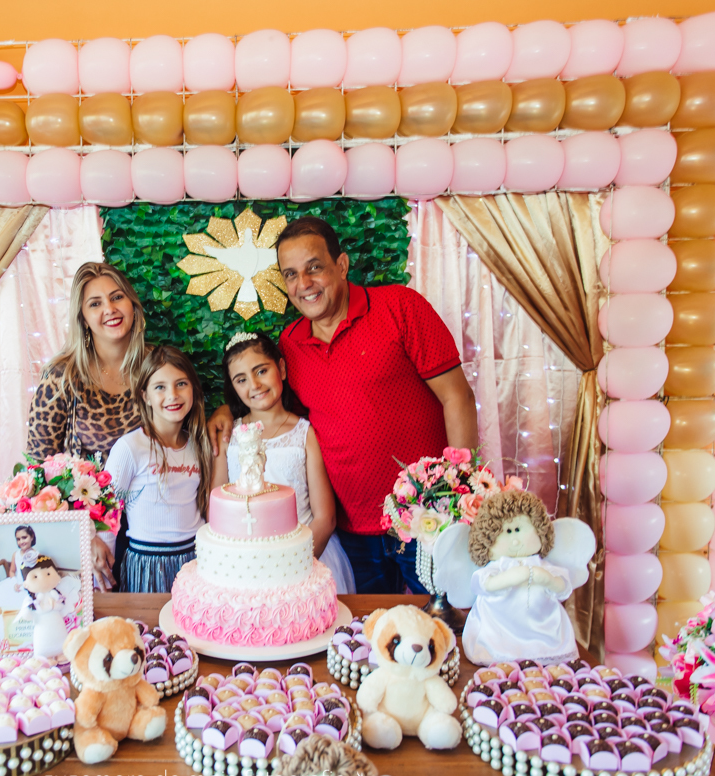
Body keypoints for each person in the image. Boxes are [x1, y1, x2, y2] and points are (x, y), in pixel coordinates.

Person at [208, 217, 477, 595]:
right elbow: (265, 400)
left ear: (342, 265)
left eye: (314, 267)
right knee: (367, 628)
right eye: (290, 275)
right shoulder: (290, 345)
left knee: (446, 617)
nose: (303, 284)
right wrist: (227, 411)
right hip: (352, 533)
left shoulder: (400, 307)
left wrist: (458, 493)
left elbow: (457, 396)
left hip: (425, 518)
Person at [26, 262, 149, 587]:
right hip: (90, 536)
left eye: (117, 297)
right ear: (82, 317)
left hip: (152, 532)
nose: (110, 309)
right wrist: (84, 535)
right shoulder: (62, 376)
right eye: (95, 303)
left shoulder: (156, 367)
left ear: (132, 304)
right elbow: (37, 473)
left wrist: (222, 413)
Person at [213, 330, 356, 593]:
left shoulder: (305, 433)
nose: (254, 385)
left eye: (261, 371)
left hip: (305, 558)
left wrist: (290, 566)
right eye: (241, 379)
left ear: (281, 368)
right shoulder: (228, 436)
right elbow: (217, 505)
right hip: (244, 565)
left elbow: (325, 517)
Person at [105, 345, 212, 593]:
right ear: (145, 396)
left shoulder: (200, 445)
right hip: (147, 563)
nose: (172, 395)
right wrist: (104, 571)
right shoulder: (130, 447)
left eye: (181, 384)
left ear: (194, 389)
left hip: (196, 562)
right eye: (160, 387)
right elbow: (107, 511)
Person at [0, 525, 40, 601]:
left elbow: (39, 574)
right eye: (18, 539)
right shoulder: (16, 554)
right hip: (18, 585)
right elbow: (12, 571)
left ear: (32, 537)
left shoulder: (37, 555)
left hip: (32, 586)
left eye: (24, 538)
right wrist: (14, 582)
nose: (21, 542)